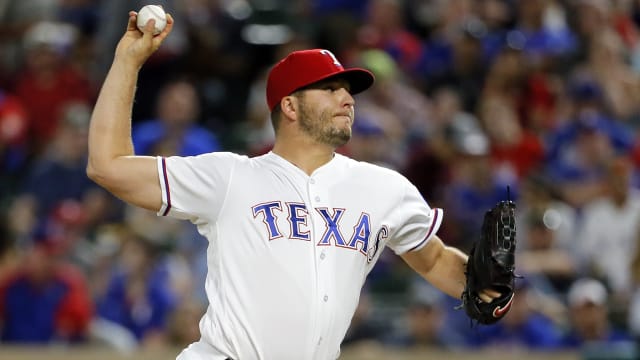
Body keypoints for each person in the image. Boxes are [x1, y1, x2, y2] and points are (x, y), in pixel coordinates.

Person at [86, 11, 502, 360]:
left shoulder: (384, 188)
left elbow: (432, 260)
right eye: (330, 88)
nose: (348, 99)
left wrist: (488, 287)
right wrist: (128, 60)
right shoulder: (231, 177)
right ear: (289, 105)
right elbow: (108, 165)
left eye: (348, 90)